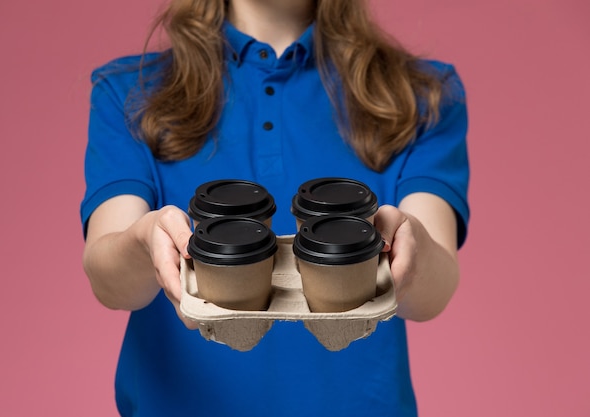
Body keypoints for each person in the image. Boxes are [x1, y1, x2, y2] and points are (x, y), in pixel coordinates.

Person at [80, 0, 470, 415]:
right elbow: (108, 279)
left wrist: (410, 245)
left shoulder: (421, 95)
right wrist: (145, 243)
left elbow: (434, 290)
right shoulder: (130, 92)